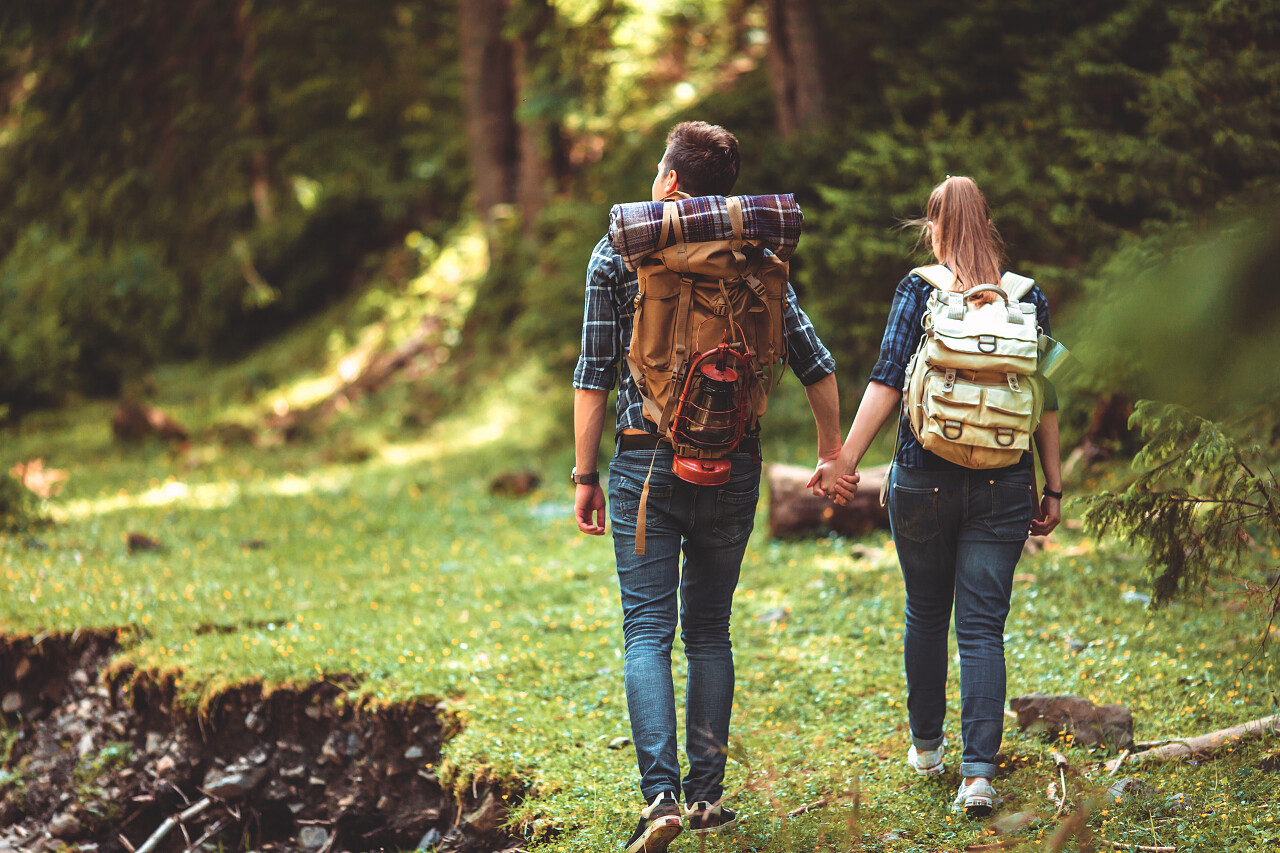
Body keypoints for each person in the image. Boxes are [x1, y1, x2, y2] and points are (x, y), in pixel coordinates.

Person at [573, 120, 843, 853]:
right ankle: (706, 798)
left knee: (647, 632)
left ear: (667, 183)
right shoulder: (754, 257)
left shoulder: (620, 253)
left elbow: (592, 376)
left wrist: (584, 474)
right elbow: (816, 363)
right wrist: (831, 453)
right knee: (711, 631)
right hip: (735, 464)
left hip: (643, 464)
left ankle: (658, 795)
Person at [815, 175, 1062, 816]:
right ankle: (978, 774)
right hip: (1006, 479)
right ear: (988, 225)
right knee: (982, 628)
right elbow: (1052, 398)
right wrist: (1053, 483)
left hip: (922, 474)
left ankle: (927, 748)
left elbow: (887, 381)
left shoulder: (917, 290)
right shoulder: (1028, 298)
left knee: (926, 611)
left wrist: (844, 461)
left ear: (935, 227)